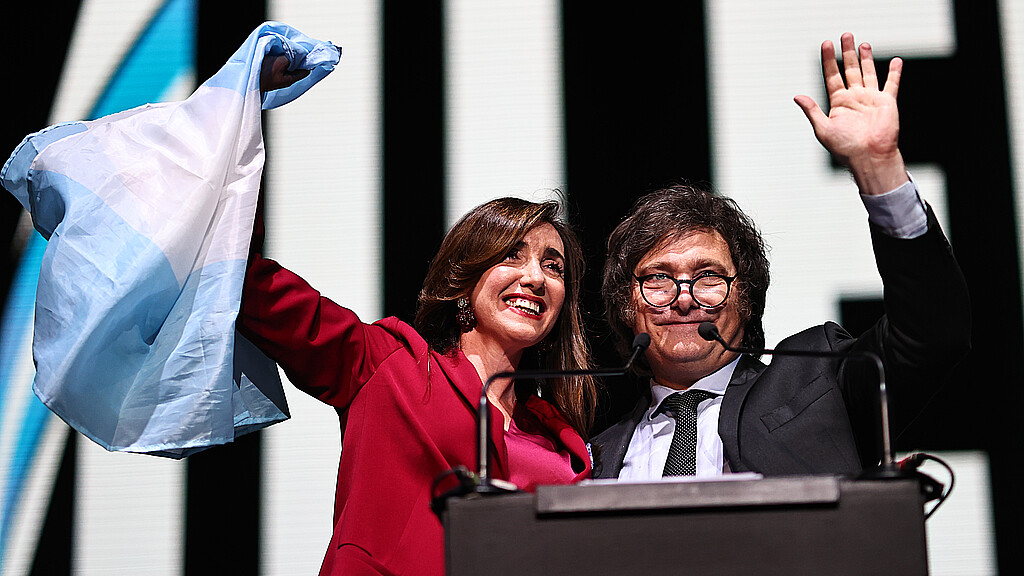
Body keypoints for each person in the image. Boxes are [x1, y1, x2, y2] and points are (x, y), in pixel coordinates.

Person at [591, 33, 971, 480]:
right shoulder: (595, 455)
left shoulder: (819, 383)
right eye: (658, 278)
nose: (684, 297)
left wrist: (879, 169)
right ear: (626, 304)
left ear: (746, 297)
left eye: (708, 275)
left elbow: (933, 331)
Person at [238, 192, 597, 574]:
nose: (536, 278)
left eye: (553, 267)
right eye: (512, 255)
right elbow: (252, 286)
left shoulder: (558, 436)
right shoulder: (387, 366)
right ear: (465, 279)